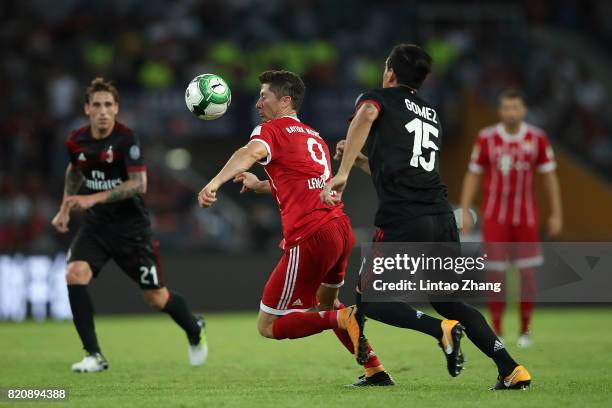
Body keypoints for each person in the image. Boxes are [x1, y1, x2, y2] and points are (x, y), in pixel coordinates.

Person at [322, 44, 531, 390]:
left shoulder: (378, 98)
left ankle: (439, 331)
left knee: (370, 299)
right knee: (448, 300)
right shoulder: (430, 113)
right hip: (440, 216)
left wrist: (342, 170)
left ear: (390, 72)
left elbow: (367, 114)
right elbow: (397, 168)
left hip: (404, 217)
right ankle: (511, 369)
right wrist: (357, 161)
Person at [198, 70, 392, 386]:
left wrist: (215, 182)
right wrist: (261, 183)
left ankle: (344, 318)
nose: (258, 102)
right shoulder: (311, 135)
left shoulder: (270, 130)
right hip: (339, 229)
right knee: (327, 301)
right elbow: (303, 184)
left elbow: (247, 154)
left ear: (285, 100)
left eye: (264, 96)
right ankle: (374, 368)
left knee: (269, 325)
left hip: (310, 235)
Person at [51, 78, 207, 372]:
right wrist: (65, 208)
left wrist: (92, 198)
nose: (103, 111)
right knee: (75, 274)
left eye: (108, 105)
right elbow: (74, 169)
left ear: (116, 108)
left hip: (132, 231)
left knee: (156, 298)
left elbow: (138, 184)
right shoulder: (76, 140)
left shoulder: (126, 139)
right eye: (96, 105)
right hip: (96, 228)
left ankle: (193, 326)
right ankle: (93, 355)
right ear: (87, 108)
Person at [460, 89, 562, 347]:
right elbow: (473, 174)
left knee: (526, 273)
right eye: (506, 108)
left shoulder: (537, 138)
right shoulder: (486, 138)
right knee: (496, 275)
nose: (511, 113)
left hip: (526, 217)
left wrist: (556, 213)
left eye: (515, 108)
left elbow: (549, 177)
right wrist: (464, 209)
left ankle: (525, 330)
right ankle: (498, 330)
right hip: (495, 218)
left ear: (524, 110)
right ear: (500, 111)